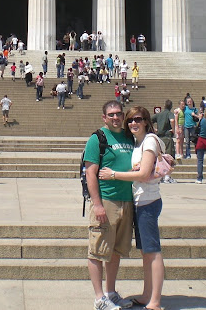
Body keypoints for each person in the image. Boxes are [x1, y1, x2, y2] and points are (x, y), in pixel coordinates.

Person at [99, 106, 166, 310]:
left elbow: (144, 174)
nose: (133, 123)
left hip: (148, 202)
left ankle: (154, 301)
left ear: (146, 120)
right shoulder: (139, 143)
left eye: (137, 119)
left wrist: (114, 175)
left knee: (152, 251)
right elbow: (142, 170)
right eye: (130, 120)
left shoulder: (150, 141)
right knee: (146, 252)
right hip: (139, 200)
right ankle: (147, 294)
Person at [83, 100, 135, 310]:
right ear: (104, 117)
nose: (116, 117)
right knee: (98, 250)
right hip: (106, 200)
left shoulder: (129, 137)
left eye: (119, 114)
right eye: (111, 114)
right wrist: (97, 205)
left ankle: (110, 292)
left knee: (115, 250)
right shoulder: (97, 139)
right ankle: (99, 298)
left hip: (127, 200)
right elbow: (90, 173)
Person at [152, 99, 177, 183]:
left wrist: (154, 129)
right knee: (168, 156)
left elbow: (149, 120)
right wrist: (173, 129)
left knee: (160, 157)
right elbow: (172, 120)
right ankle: (167, 176)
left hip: (159, 138)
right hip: (167, 137)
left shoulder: (159, 114)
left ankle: (160, 176)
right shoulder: (169, 114)